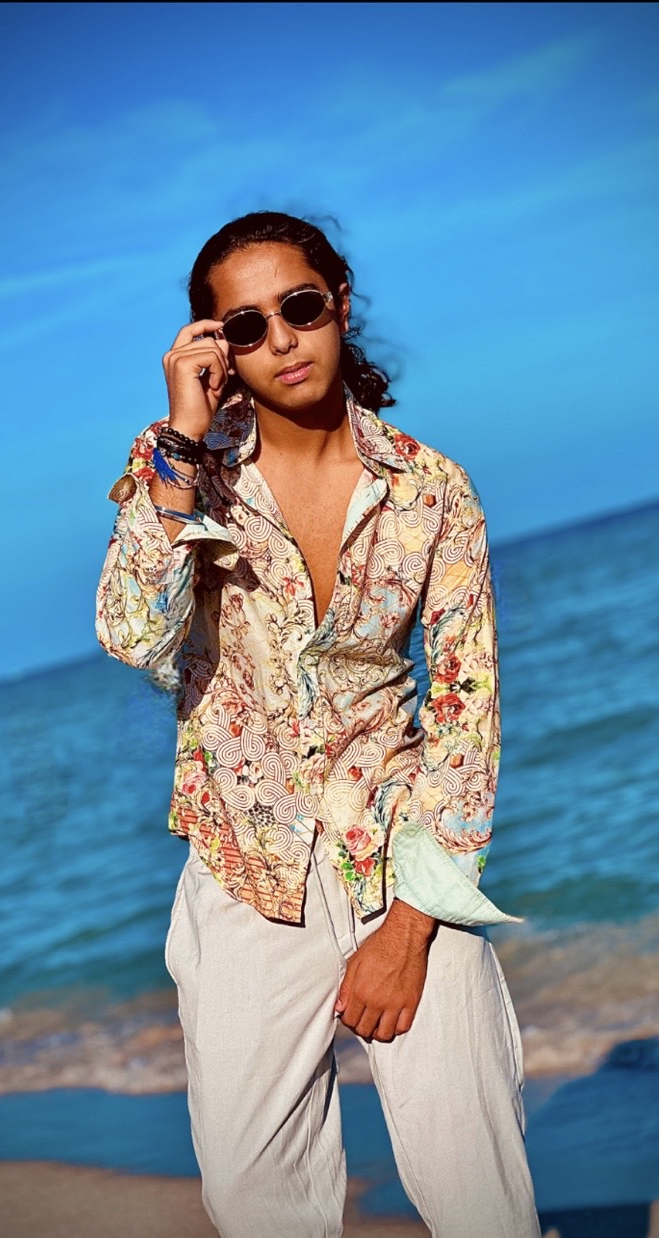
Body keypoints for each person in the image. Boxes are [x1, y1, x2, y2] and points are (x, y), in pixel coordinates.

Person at [96, 211, 539, 1237]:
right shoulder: (183, 469)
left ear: (338, 299)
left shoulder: (433, 491)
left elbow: (468, 718)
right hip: (246, 876)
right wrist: (180, 433)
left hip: (403, 864)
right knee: (259, 1200)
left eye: (299, 307)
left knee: (484, 1191)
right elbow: (130, 632)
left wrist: (413, 926)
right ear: (212, 348)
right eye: (243, 327)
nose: (282, 340)